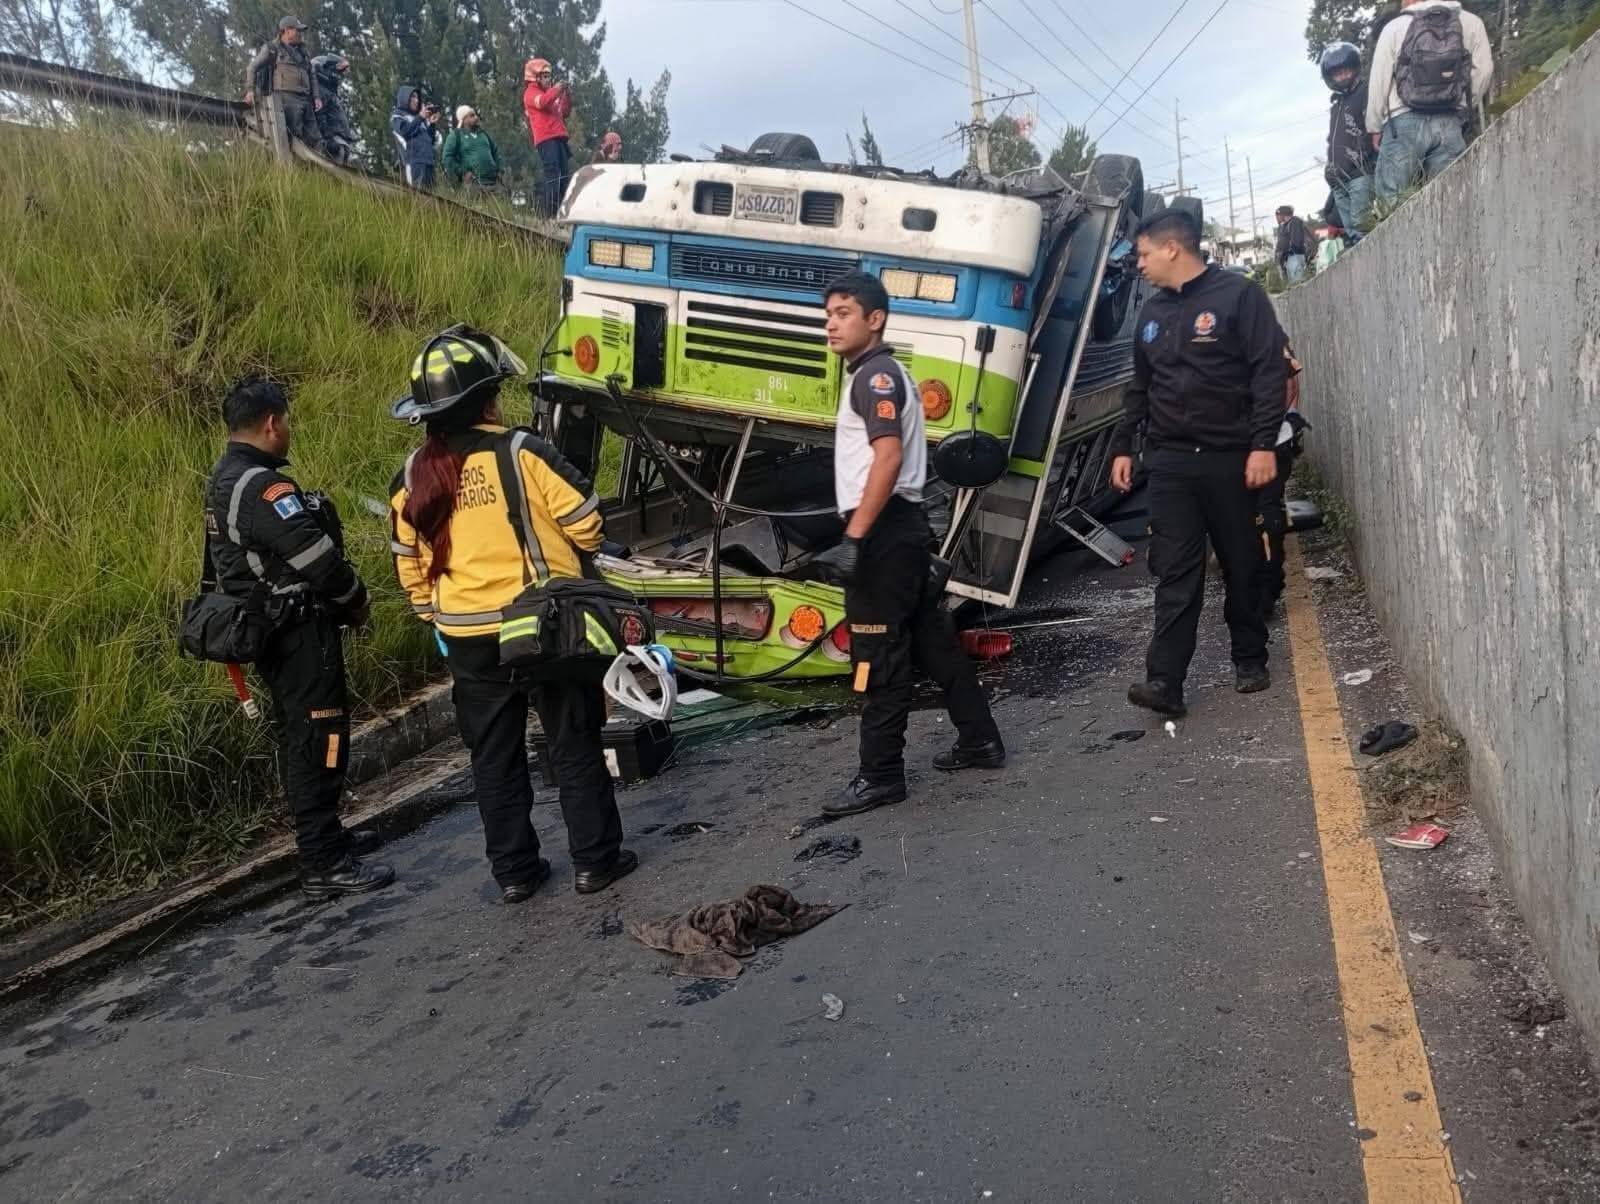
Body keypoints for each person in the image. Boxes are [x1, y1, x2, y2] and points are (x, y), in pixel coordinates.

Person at [388, 325, 637, 904]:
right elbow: (587, 523)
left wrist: (434, 613)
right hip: (540, 626)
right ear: (489, 399)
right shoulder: (522, 453)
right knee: (572, 741)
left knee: (493, 758)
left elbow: (409, 562)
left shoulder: (413, 477)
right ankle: (595, 862)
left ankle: (516, 874)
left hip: (466, 636)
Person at [813, 271, 1005, 818]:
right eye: (828, 313)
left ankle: (880, 776)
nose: (831, 322)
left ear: (874, 320)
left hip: (883, 531)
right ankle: (980, 739)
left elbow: (888, 458)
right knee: (934, 640)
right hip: (902, 528)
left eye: (844, 312)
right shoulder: (883, 372)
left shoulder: (873, 377)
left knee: (878, 654)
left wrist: (854, 538)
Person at [205, 378, 392, 897]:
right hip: (297, 633)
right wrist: (357, 601)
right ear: (271, 423)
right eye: (285, 421)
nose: (288, 430)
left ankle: (327, 839)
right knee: (320, 740)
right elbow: (319, 562)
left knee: (304, 738)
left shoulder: (225, 477)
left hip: (273, 632)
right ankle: (323, 862)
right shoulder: (265, 488)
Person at [1108, 210, 1289, 716]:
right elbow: (1140, 390)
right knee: (1175, 572)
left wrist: (1261, 445)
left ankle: (1250, 656)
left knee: (1242, 562)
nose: (1138, 264)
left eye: (1143, 254)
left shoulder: (1239, 296)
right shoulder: (1151, 315)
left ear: (1172, 249)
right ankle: (1164, 681)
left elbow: (1268, 373)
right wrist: (1124, 445)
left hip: (1231, 458)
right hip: (1170, 464)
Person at [1367, 0, 1494, 203]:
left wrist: (1374, 126)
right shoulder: (1470, 22)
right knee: (1451, 200)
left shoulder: (1394, 27)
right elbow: (1484, 71)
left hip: (1402, 123)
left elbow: (1378, 81)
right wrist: (1460, 105)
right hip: (1448, 120)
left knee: (1391, 201)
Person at [1254, 343, 1308, 621]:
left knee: (1269, 518)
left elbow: (1290, 382)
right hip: (1228, 451)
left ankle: (1268, 591)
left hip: (1271, 447)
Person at [1320, 41, 1376, 238]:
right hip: (1338, 179)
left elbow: (1375, 125)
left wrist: (1367, 156)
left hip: (1360, 172)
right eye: (1337, 73)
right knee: (1352, 234)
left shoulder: (1364, 92)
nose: (1342, 76)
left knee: (1363, 227)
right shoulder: (1337, 105)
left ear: (1354, 68)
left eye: (1345, 71)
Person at [244, 16, 321, 153]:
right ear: (287, 31)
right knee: (294, 135)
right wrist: (250, 90)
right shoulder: (272, 48)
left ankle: (314, 169)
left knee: (314, 138)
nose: (300, 34)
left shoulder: (303, 52)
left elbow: (312, 75)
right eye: (297, 30)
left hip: (306, 99)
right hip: (286, 98)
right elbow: (252, 68)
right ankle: (294, 169)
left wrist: (316, 97)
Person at [522, 58, 573, 216]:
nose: (548, 79)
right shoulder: (530, 93)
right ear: (534, 77)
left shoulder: (551, 92)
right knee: (552, 174)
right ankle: (549, 213)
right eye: (544, 76)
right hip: (546, 139)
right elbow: (542, 102)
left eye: (548, 76)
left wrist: (566, 95)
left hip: (559, 137)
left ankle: (562, 213)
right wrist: (557, 89)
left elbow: (564, 112)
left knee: (564, 175)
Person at [442, 105, 503, 191]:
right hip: (473, 185)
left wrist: (499, 170)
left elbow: (496, 152)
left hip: (494, 184)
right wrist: (462, 172)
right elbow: (447, 158)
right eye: (472, 115)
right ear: (464, 119)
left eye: (475, 115)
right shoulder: (456, 135)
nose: (476, 118)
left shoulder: (483, 134)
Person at [391, 84, 440, 190]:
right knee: (417, 197)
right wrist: (420, 117)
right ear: (405, 97)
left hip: (428, 162)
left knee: (433, 200)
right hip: (413, 162)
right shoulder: (397, 115)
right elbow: (405, 132)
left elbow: (429, 140)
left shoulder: (420, 119)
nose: (416, 100)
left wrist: (432, 124)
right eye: (413, 96)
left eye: (417, 97)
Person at [311, 54, 354, 164]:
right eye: (335, 71)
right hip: (334, 137)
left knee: (348, 163)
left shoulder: (330, 92)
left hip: (342, 136)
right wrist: (328, 138)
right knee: (339, 161)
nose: (337, 75)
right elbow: (320, 114)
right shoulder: (320, 91)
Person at [1274, 206, 1314, 284]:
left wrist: (1285, 252)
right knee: (1293, 283)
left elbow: (1296, 242)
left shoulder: (1295, 222)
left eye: (1277, 216)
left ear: (1282, 215)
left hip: (1295, 256)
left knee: (1298, 283)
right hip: (1290, 259)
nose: (1276, 218)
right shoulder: (1284, 226)